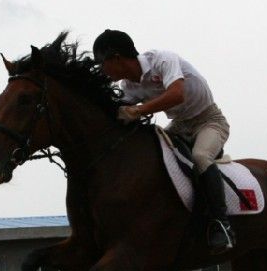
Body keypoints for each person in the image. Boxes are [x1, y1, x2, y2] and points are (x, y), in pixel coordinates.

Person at [93, 29, 236, 254]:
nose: (101, 70)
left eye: (102, 64)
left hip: (209, 120)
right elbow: (119, 113)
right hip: (180, 124)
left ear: (117, 58)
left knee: (200, 156)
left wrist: (137, 110)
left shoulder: (162, 60)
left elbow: (177, 94)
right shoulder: (129, 87)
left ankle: (222, 224)